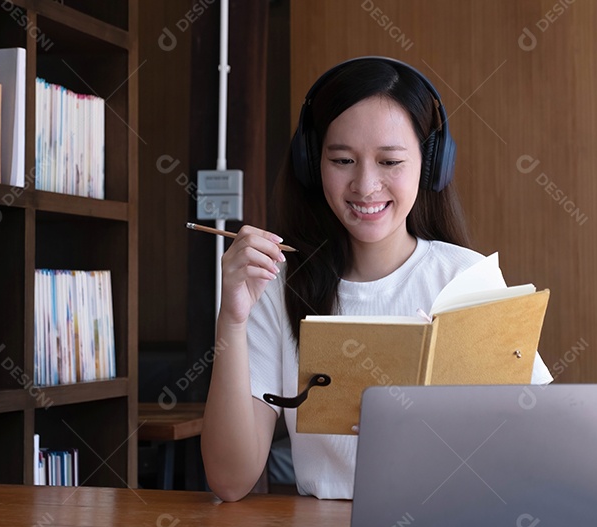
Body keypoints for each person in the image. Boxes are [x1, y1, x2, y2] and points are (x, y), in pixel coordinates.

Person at [202, 57, 552, 502]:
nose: (366, 186)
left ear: (430, 166)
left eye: (390, 161)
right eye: (343, 159)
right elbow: (229, 480)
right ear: (312, 164)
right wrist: (231, 319)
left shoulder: (468, 279)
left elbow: (535, 448)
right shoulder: (275, 284)